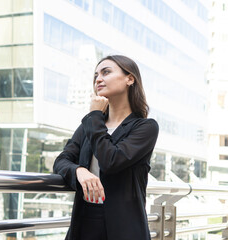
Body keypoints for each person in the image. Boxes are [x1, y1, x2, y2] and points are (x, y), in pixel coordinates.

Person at [53, 55, 159, 240]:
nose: (98, 79)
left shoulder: (145, 127)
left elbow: (111, 161)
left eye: (106, 72)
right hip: (84, 221)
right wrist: (79, 170)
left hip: (124, 227)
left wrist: (95, 114)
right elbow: (61, 161)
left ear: (130, 79)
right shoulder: (90, 125)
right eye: (96, 75)